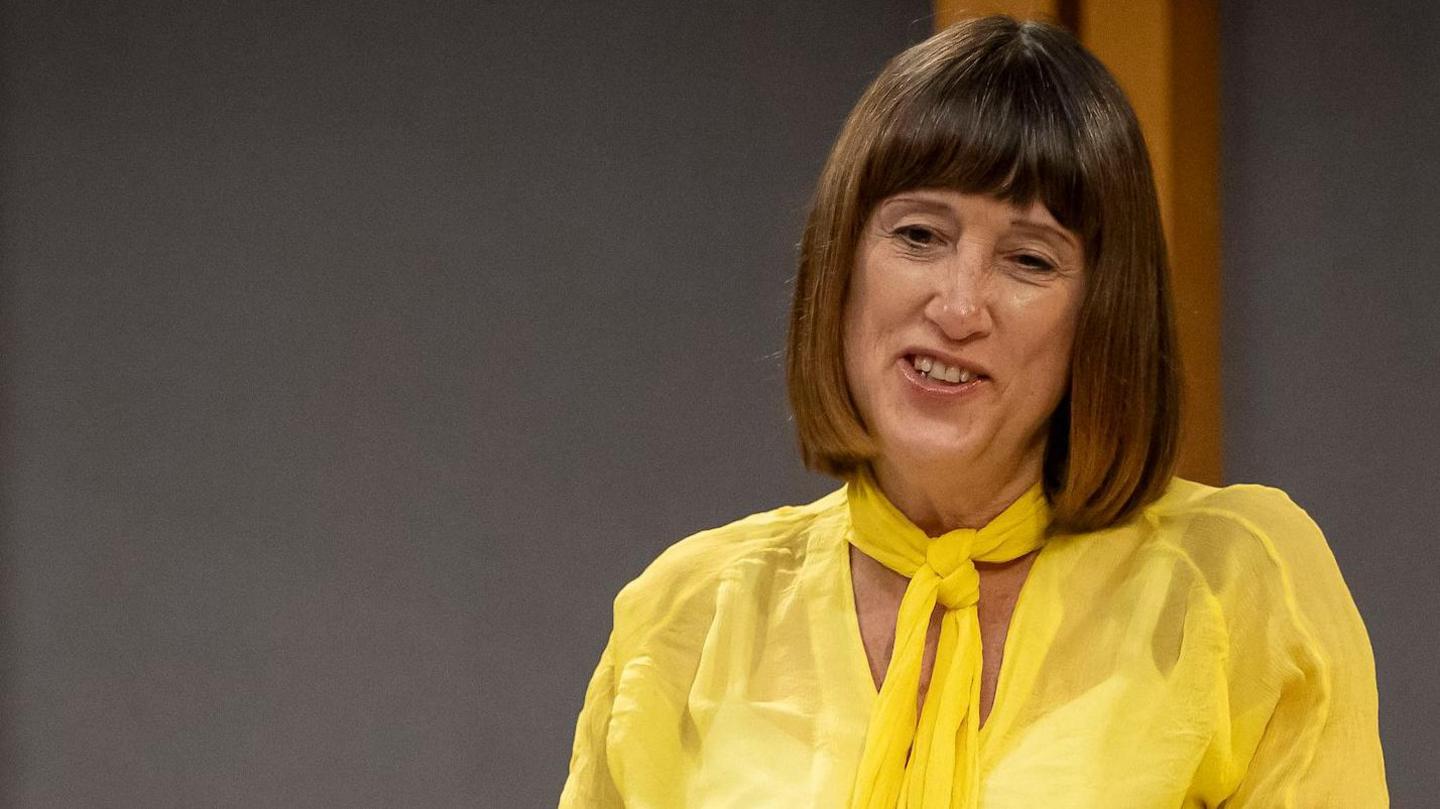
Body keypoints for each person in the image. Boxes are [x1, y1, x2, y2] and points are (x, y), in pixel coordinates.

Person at [558, 15, 1387, 808]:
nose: (959, 307)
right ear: (842, 262)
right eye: (919, 235)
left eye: (1029, 259)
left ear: (1102, 313)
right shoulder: (684, 614)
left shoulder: (1243, 585)